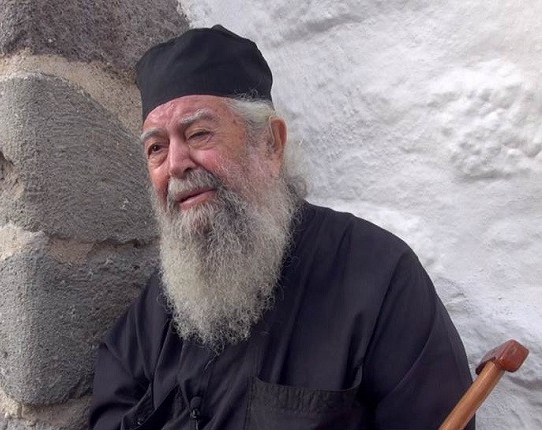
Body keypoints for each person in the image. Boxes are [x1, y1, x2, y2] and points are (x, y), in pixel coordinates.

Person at [89, 25, 473, 430]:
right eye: (156, 148)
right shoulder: (163, 298)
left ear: (270, 144)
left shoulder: (380, 277)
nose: (175, 164)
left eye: (199, 133)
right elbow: (111, 412)